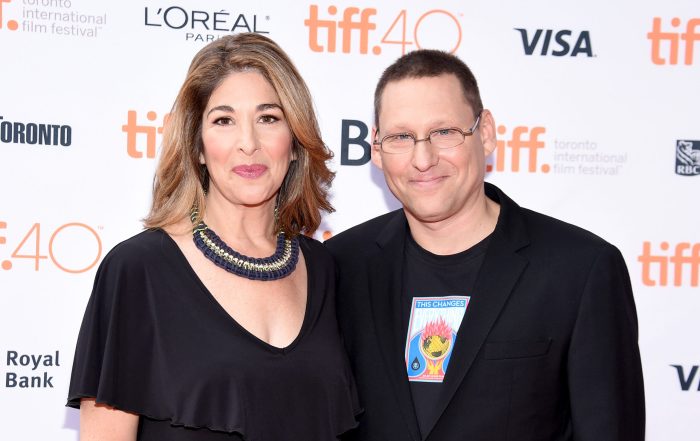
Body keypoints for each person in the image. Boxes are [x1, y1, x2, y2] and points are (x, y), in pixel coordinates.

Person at [325, 49, 645, 441]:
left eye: (444, 132)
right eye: (401, 137)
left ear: (486, 133)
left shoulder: (580, 270)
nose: (423, 159)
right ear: (376, 148)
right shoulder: (339, 267)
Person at [67, 33, 360, 440]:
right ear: (198, 147)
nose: (248, 144)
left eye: (268, 118)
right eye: (224, 120)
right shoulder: (139, 271)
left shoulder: (325, 269)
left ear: (295, 142)